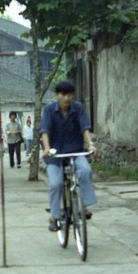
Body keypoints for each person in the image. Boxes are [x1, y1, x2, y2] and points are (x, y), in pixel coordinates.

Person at [40, 81, 98, 232]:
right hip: (54, 154)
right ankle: (54, 215)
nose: (66, 98)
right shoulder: (49, 110)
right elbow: (44, 131)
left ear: (73, 95)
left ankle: (83, 207)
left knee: (85, 170)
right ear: (57, 95)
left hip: (75, 151)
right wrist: (46, 148)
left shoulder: (78, 108)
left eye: (69, 94)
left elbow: (85, 127)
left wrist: (91, 144)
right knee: (56, 183)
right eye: (62, 94)